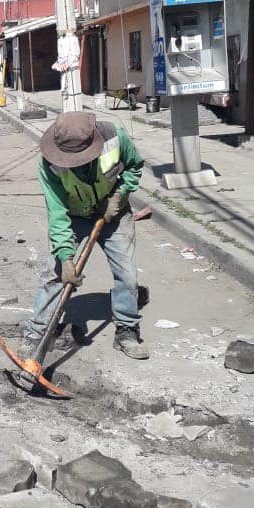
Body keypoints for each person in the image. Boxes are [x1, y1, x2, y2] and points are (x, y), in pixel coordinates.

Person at [20, 110, 148, 360]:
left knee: (126, 274)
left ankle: (126, 330)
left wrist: (119, 196)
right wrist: (67, 258)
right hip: (75, 215)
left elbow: (135, 167)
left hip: (114, 213)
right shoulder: (49, 164)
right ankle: (36, 333)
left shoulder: (114, 137)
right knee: (55, 273)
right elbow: (57, 213)